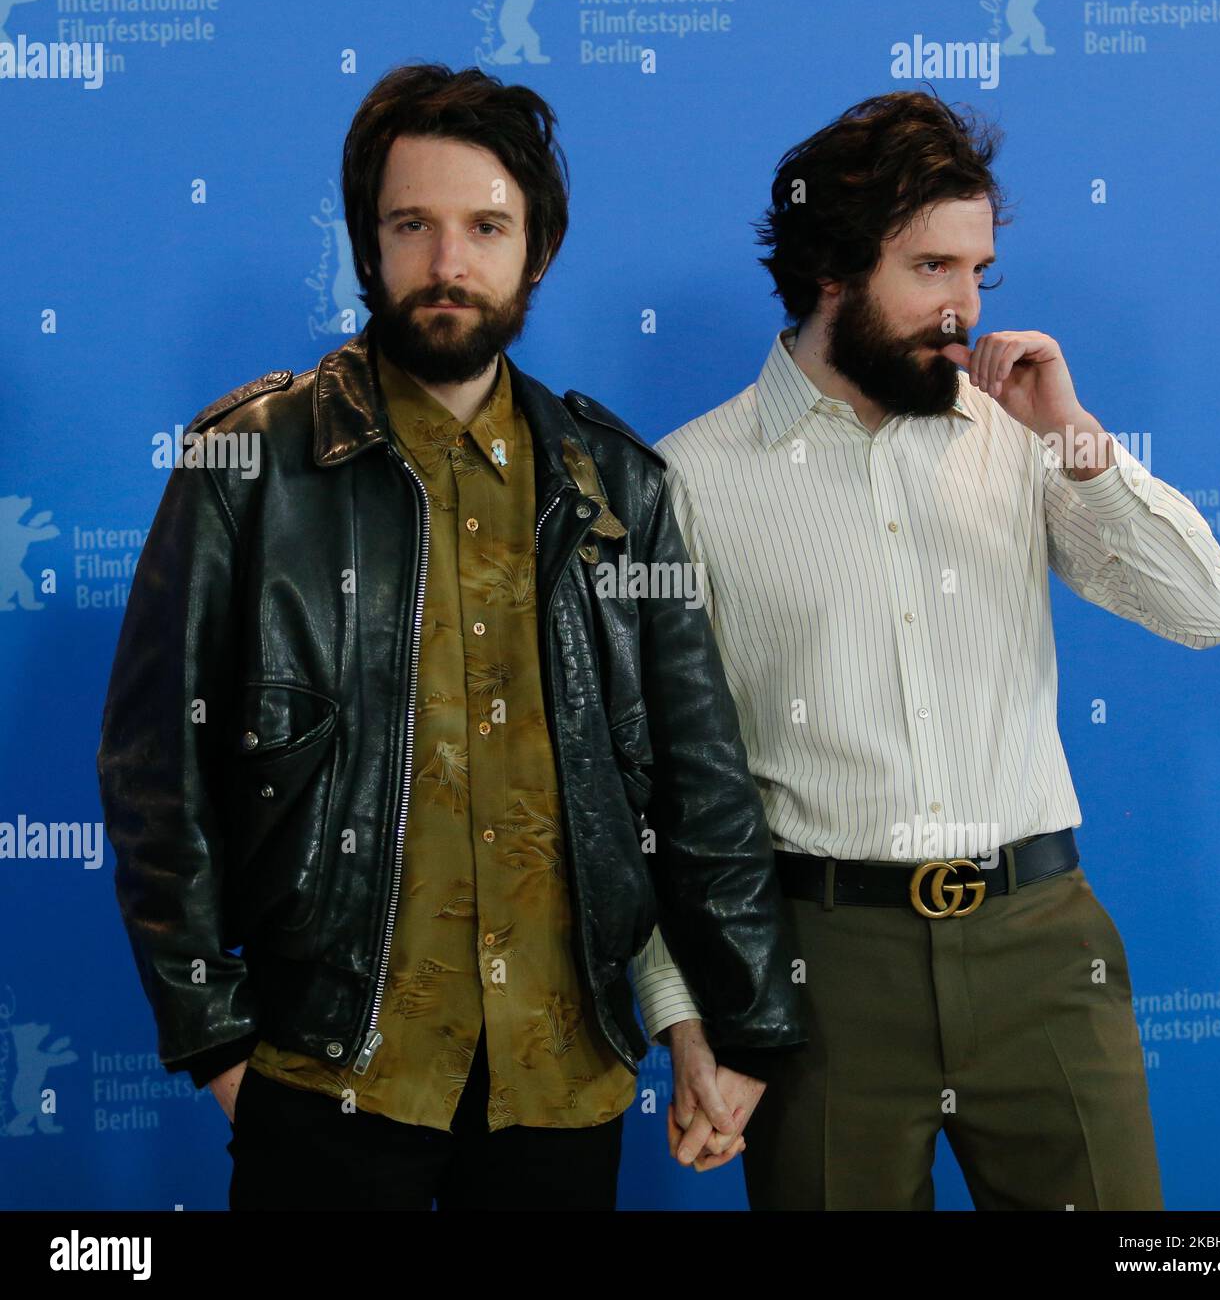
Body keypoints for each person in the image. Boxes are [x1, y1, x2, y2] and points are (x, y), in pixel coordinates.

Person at [96, 61, 805, 1212]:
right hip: (325, 1070)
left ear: (537, 247)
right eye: (411, 225)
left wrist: (744, 1021)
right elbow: (151, 773)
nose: (447, 265)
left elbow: (699, 772)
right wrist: (218, 1048)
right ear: (367, 245)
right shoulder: (247, 462)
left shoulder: (622, 484)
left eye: (485, 226)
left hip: (559, 1076)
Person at [630, 88, 1220, 1209]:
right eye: (929, 270)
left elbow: (1205, 611)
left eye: (978, 272)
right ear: (830, 271)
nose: (965, 308)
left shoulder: (1019, 434)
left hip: (1043, 952)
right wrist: (685, 1015)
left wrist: (1069, 434)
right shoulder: (685, 482)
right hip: (819, 971)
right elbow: (658, 785)